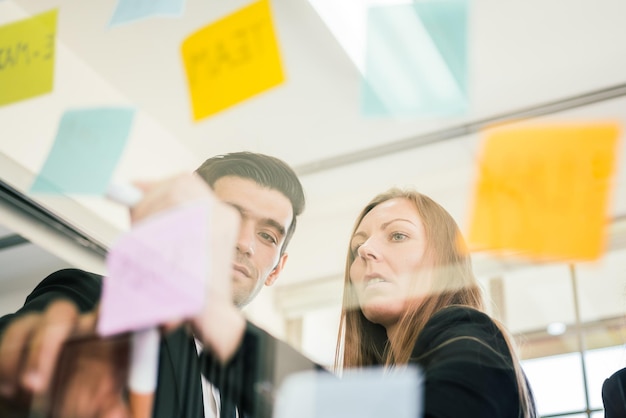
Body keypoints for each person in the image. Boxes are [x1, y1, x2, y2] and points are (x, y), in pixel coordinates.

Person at [174, 187, 539, 417]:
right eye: (356, 247)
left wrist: (230, 335)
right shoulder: (387, 376)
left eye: (397, 235)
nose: (365, 250)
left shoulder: (469, 332)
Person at [0, 151, 311, 418]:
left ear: (277, 269)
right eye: (227, 217)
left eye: (267, 236)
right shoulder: (96, 303)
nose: (245, 243)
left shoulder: (260, 393)